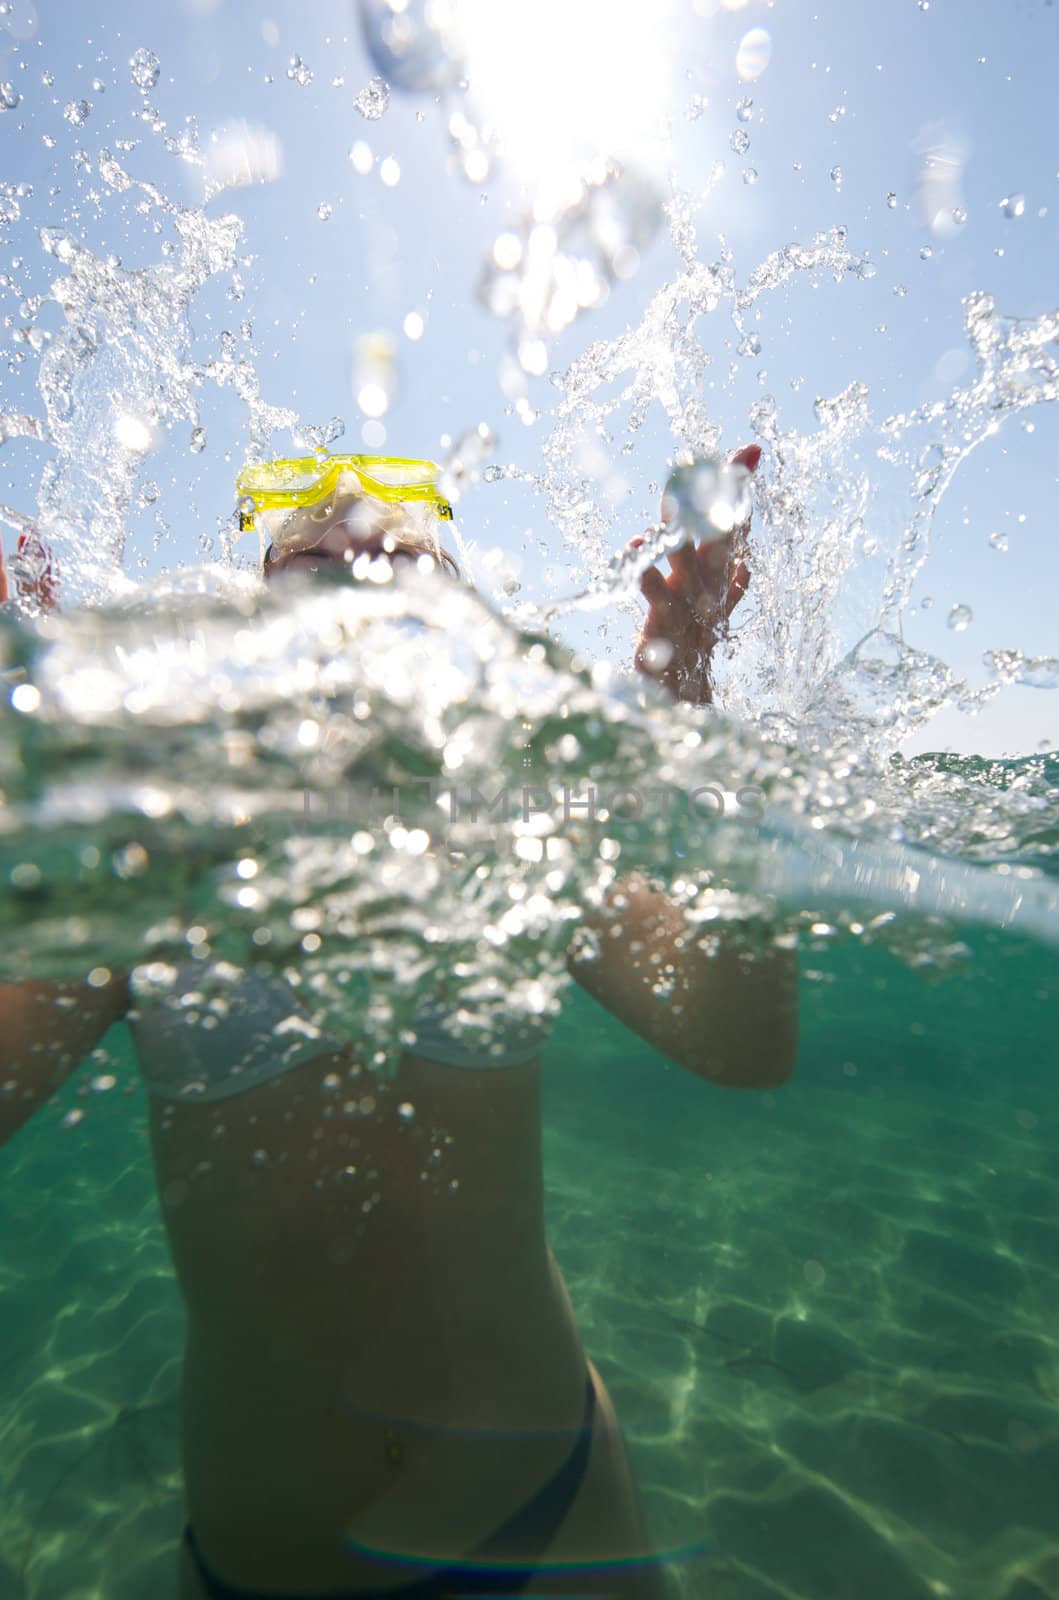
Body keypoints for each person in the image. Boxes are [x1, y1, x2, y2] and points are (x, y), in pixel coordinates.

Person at [0, 444, 797, 1599]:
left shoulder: (517, 827)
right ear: (250, 617)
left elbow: (740, 1040)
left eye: (391, 552)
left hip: (554, 1510)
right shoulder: (153, 852)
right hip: (269, 1561)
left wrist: (692, 730)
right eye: (310, 550)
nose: (349, 555)